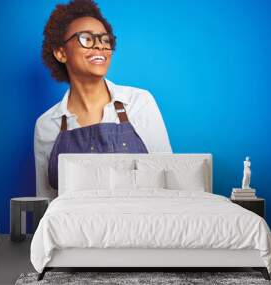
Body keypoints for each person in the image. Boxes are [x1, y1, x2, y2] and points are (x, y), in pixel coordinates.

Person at [34, 0, 172, 199]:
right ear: (61, 53)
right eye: (87, 39)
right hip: (74, 229)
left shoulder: (139, 103)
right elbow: (45, 202)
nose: (100, 45)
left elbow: (168, 178)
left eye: (105, 40)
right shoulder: (47, 125)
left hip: (140, 225)